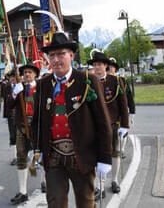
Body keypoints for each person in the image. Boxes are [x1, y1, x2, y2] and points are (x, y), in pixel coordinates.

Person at [31, 32, 113, 208]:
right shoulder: (43, 84)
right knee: (55, 202)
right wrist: (37, 149)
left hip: (82, 155)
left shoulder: (87, 80)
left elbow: (102, 122)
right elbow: (37, 121)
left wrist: (105, 157)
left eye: (61, 54)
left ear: (71, 55)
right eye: (52, 55)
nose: (56, 60)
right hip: (53, 156)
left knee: (85, 202)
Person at [88, 52, 129, 198]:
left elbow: (123, 105)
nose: (97, 67)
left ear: (106, 66)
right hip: (95, 126)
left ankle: (115, 180)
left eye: (99, 64)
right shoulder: (89, 81)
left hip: (113, 124)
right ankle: (100, 186)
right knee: (100, 156)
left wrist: (125, 125)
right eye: (95, 64)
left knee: (115, 154)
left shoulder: (116, 81)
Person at [10, 63, 46, 204]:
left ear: (35, 74)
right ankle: (23, 191)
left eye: (30, 72)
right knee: (21, 157)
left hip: (38, 127)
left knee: (42, 155)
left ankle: (44, 181)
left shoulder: (42, 88)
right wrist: (14, 93)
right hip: (21, 127)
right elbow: (9, 107)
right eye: (25, 72)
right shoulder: (19, 89)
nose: (27, 74)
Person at [107, 58, 136, 158]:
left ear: (115, 69)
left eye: (111, 67)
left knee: (123, 133)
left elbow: (129, 96)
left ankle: (121, 149)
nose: (109, 69)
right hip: (110, 113)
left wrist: (132, 111)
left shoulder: (121, 81)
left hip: (121, 111)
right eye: (108, 67)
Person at [2, 70, 18, 165]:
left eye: (14, 76)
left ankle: (24, 154)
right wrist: (5, 115)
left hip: (21, 115)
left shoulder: (22, 86)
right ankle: (15, 156)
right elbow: (6, 103)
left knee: (22, 135)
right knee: (13, 136)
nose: (12, 78)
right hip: (11, 115)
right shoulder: (7, 87)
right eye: (11, 77)